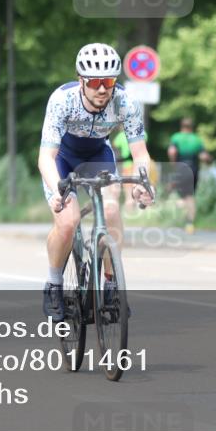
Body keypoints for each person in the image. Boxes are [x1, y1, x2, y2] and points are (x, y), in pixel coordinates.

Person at [39, 43, 153, 321]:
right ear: (82, 81)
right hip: (62, 159)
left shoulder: (125, 102)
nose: (102, 89)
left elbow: (140, 154)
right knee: (68, 221)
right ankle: (54, 285)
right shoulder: (61, 100)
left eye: (108, 81)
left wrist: (142, 183)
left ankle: (111, 285)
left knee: (112, 209)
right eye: (95, 82)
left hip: (98, 155)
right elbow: (45, 157)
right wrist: (57, 191)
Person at [167, 117, 209, 234]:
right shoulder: (197, 139)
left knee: (180, 195)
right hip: (194, 169)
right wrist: (208, 161)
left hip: (181, 167)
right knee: (190, 196)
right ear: (192, 127)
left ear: (182, 126)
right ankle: (190, 224)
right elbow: (203, 156)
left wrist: (173, 163)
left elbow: (172, 151)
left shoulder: (176, 137)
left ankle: (177, 207)